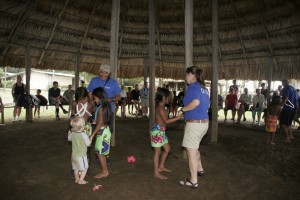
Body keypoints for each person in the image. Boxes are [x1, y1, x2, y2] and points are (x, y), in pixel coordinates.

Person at [178, 66, 210, 189]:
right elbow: (206, 104)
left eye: (186, 74)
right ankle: (199, 169)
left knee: (190, 151)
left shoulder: (193, 87)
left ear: (191, 74)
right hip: (204, 123)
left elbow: (195, 102)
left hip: (195, 124)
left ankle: (193, 181)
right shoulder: (203, 88)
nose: (185, 77)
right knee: (195, 147)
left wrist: (182, 110)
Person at [151, 88, 181, 180]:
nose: (170, 99)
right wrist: (177, 118)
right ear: (164, 98)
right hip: (157, 132)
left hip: (161, 132)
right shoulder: (160, 109)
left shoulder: (161, 107)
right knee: (157, 152)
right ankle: (156, 172)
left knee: (167, 149)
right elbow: (166, 121)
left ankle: (161, 167)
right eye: (169, 97)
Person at [87, 64, 121, 132]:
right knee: (93, 130)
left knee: (107, 131)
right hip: (95, 110)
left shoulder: (113, 83)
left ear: (109, 73)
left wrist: (110, 99)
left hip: (108, 110)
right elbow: (90, 93)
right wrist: (92, 104)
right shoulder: (94, 80)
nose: (103, 74)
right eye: (101, 72)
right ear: (99, 71)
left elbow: (118, 96)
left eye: (106, 73)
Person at [89, 87, 111, 179]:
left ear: (99, 97)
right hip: (104, 130)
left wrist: (92, 135)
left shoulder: (101, 108)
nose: (94, 100)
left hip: (102, 132)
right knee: (101, 152)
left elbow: (100, 123)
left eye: (95, 98)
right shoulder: (103, 107)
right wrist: (95, 122)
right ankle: (104, 170)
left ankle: (104, 172)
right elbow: (101, 121)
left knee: (99, 153)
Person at [70, 87, 95, 163]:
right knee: (77, 148)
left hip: (87, 128)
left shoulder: (91, 103)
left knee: (88, 148)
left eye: (85, 99)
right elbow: (72, 115)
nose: (83, 101)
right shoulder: (75, 103)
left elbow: (93, 113)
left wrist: (91, 119)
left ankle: (86, 168)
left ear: (88, 96)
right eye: (81, 100)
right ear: (77, 98)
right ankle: (76, 167)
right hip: (77, 128)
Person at [68, 116, 91, 184]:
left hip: (73, 156)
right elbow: (88, 144)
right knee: (85, 168)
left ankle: (77, 179)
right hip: (81, 156)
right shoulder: (84, 135)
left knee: (76, 168)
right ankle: (81, 180)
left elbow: (69, 139)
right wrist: (90, 139)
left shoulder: (73, 134)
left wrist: (69, 133)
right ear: (82, 126)